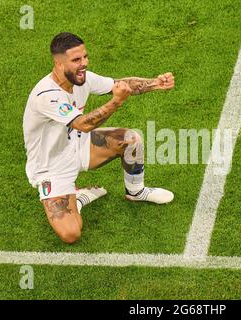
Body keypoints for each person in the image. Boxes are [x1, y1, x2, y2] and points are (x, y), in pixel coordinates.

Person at [23, 32, 175, 244]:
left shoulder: (81, 78)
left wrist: (154, 84)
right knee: (71, 234)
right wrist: (116, 102)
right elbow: (83, 124)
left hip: (76, 145)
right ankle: (78, 198)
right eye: (76, 60)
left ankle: (136, 191)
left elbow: (119, 84)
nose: (84, 63)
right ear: (58, 64)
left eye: (85, 57)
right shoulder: (46, 96)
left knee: (131, 139)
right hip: (51, 167)